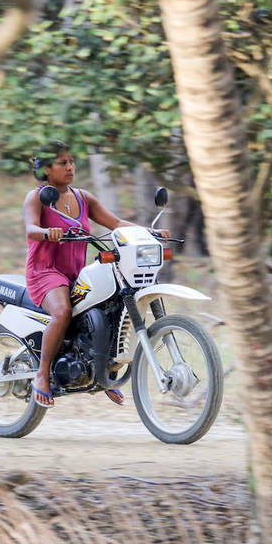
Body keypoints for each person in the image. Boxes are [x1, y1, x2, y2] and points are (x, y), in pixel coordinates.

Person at [22, 141, 165, 408]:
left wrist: (149, 232)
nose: (70, 167)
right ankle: (42, 374)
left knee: (113, 303)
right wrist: (46, 233)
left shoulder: (82, 197)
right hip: (46, 273)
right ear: (46, 169)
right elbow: (31, 228)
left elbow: (116, 224)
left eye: (71, 161)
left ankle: (104, 371)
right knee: (62, 312)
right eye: (62, 163)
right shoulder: (37, 197)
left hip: (76, 272)